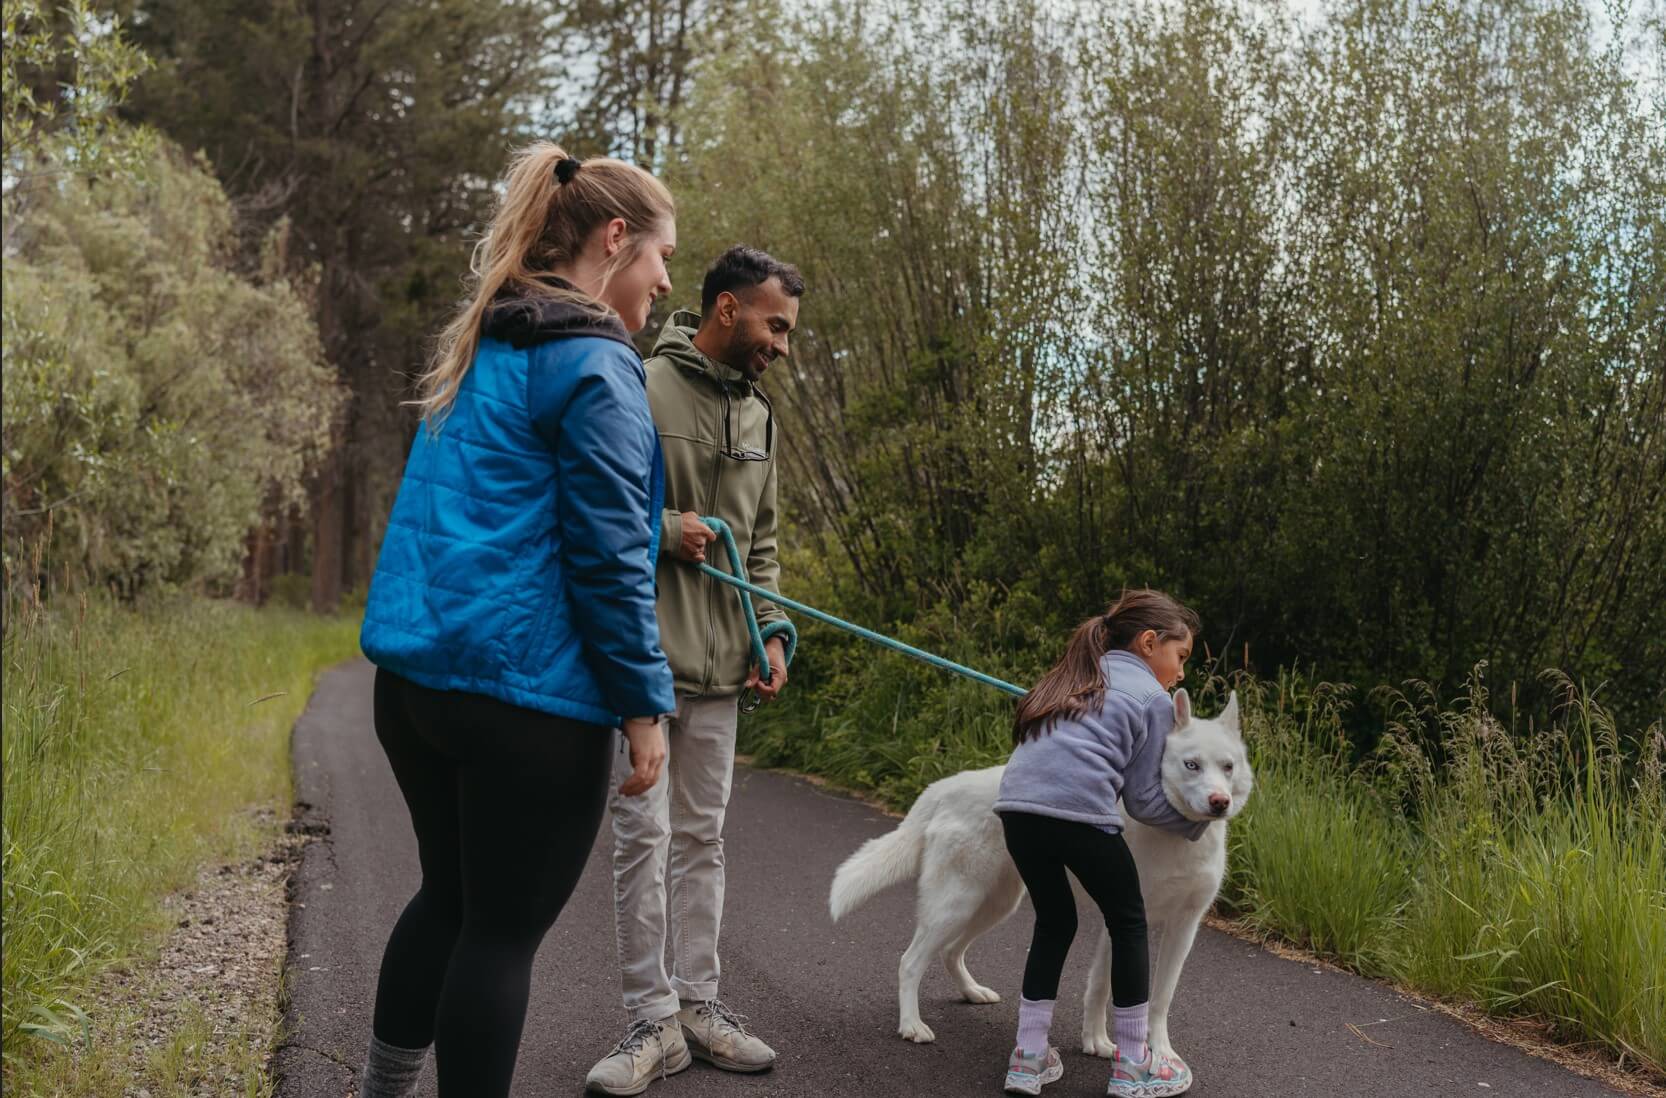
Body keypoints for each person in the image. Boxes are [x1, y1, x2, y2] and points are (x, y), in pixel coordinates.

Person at [355, 142, 681, 1098]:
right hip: (525, 702)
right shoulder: (596, 366)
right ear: (616, 240)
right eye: (662, 255)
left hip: (414, 687)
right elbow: (610, 558)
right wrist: (642, 704)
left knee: (448, 900)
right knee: (500, 932)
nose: (666, 281)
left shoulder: (484, 343)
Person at [585, 246, 803, 1096]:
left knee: (704, 838)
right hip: (643, 660)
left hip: (723, 671)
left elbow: (765, 547)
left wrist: (772, 632)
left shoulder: (760, 417)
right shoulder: (638, 385)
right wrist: (664, 533)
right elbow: (597, 515)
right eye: (774, 325)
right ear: (725, 310)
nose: (782, 344)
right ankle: (651, 1020)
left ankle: (701, 1007)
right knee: (646, 836)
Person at [992, 589, 1207, 1098]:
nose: (1180, 673)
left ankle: (1027, 1058)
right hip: (1079, 816)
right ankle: (1134, 1064)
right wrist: (1200, 823)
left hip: (1017, 812)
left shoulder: (1068, 678)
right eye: (1180, 657)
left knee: (1056, 919)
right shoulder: (1153, 700)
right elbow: (1144, 802)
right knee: (1128, 920)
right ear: (1150, 642)